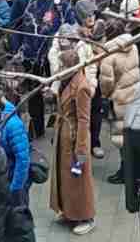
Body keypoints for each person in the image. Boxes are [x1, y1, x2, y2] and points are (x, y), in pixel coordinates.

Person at [47, 33, 95, 235]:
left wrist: (81, 149)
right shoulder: (66, 82)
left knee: (79, 179)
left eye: (61, 65)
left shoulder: (82, 86)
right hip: (64, 134)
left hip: (75, 136)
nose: (58, 69)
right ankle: (68, 210)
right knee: (65, 176)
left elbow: (84, 120)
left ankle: (86, 216)